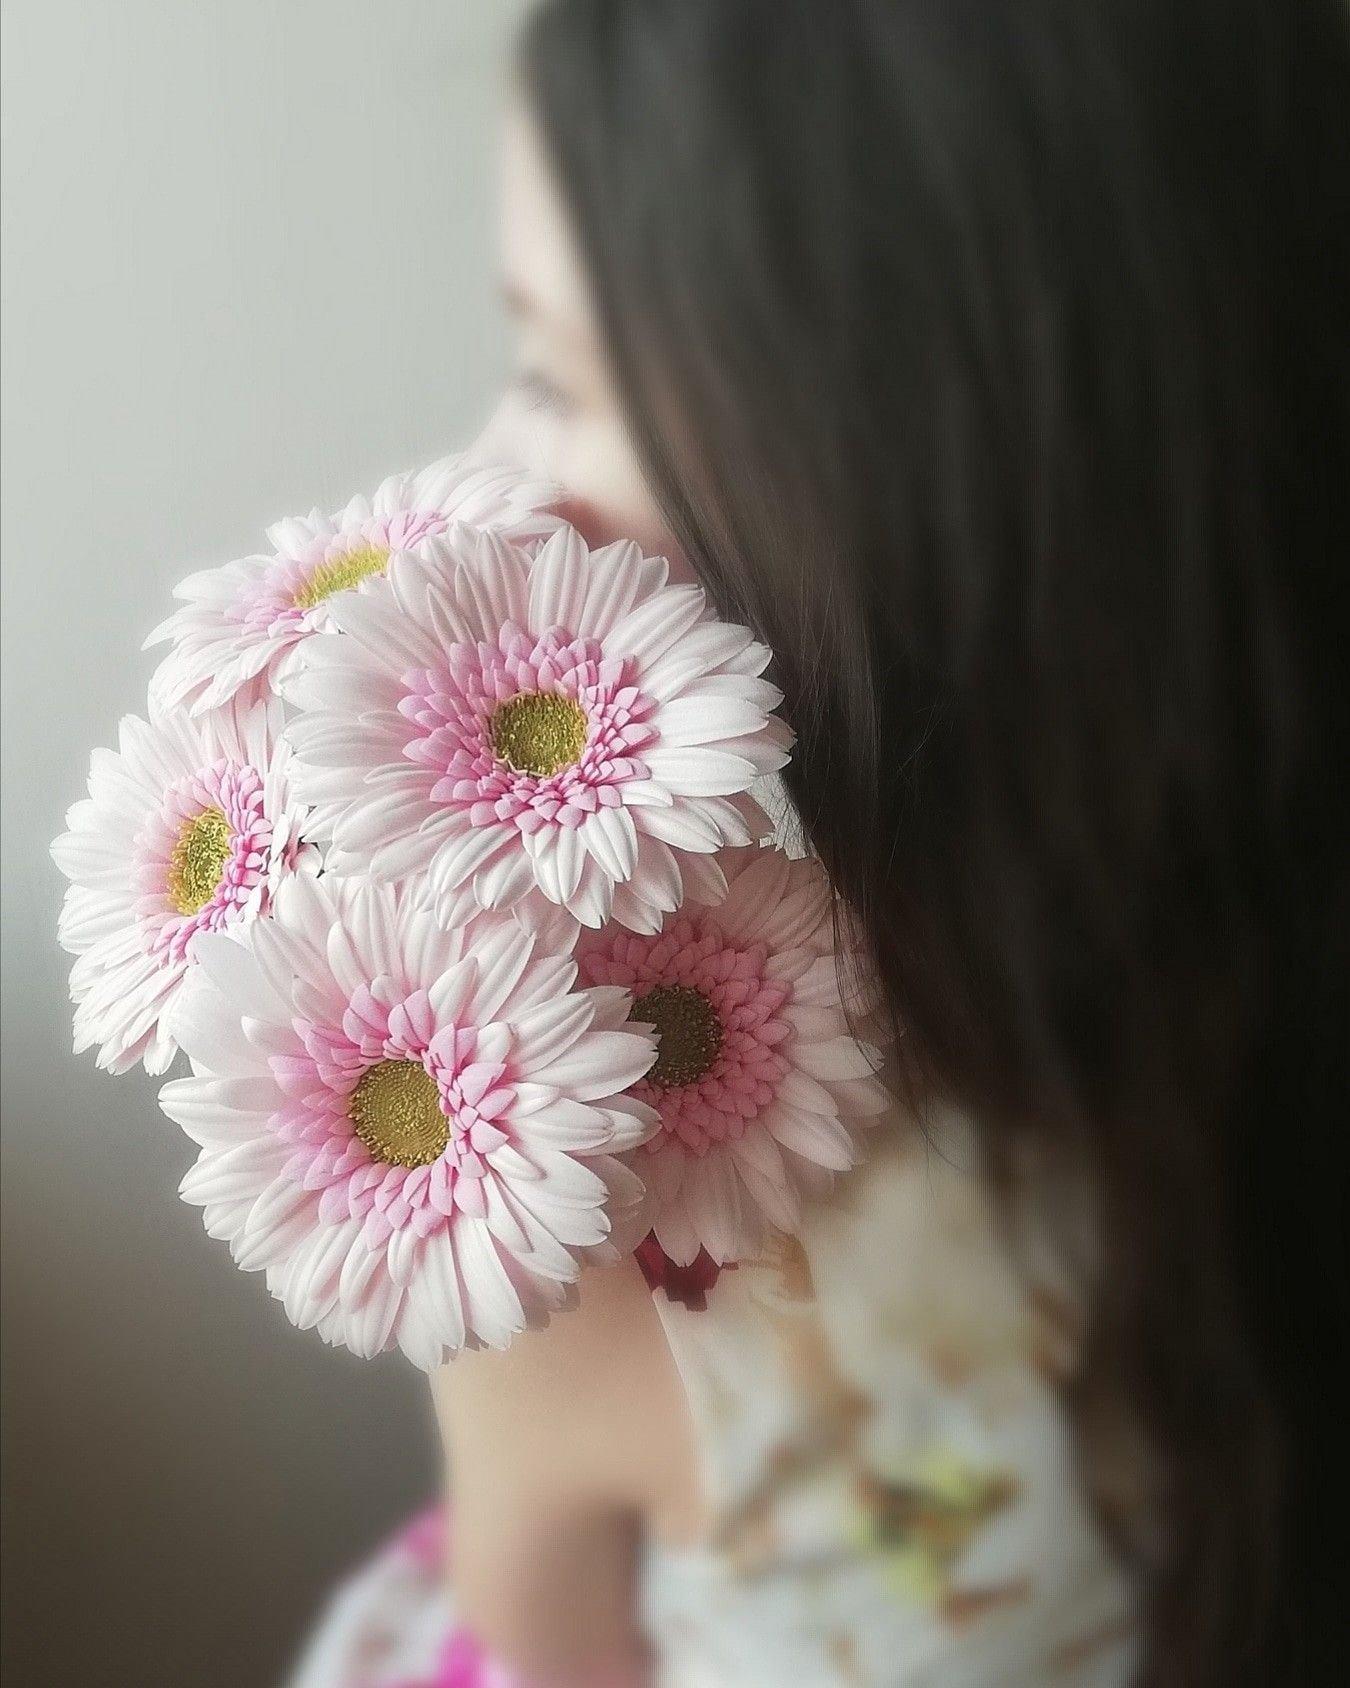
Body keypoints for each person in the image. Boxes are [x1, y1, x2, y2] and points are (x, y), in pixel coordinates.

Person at [288, 3, 1350, 1684]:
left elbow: (543, 1646)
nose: (490, 484)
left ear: (893, 475)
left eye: (551, 379)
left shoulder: (606, 1244)